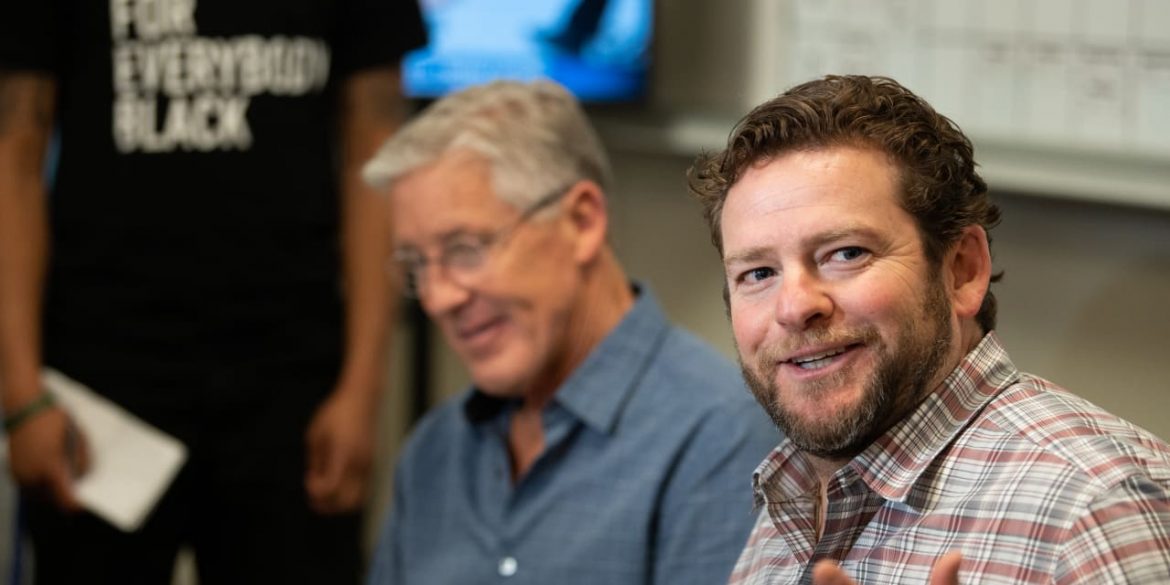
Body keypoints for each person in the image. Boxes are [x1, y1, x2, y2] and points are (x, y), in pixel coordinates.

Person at [0, 1, 426, 583]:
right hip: (99, 383)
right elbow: (15, 146)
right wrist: (21, 393)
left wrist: (362, 389)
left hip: (292, 384)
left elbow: (376, 145)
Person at [687, 74, 1170, 584]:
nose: (794, 307)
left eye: (846, 253)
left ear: (962, 270)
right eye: (758, 273)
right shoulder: (794, 494)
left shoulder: (1096, 512)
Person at [361, 79, 778, 585]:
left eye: (464, 250)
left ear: (582, 221)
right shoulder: (434, 452)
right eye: (417, 265)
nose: (437, 297)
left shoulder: (720, 438)